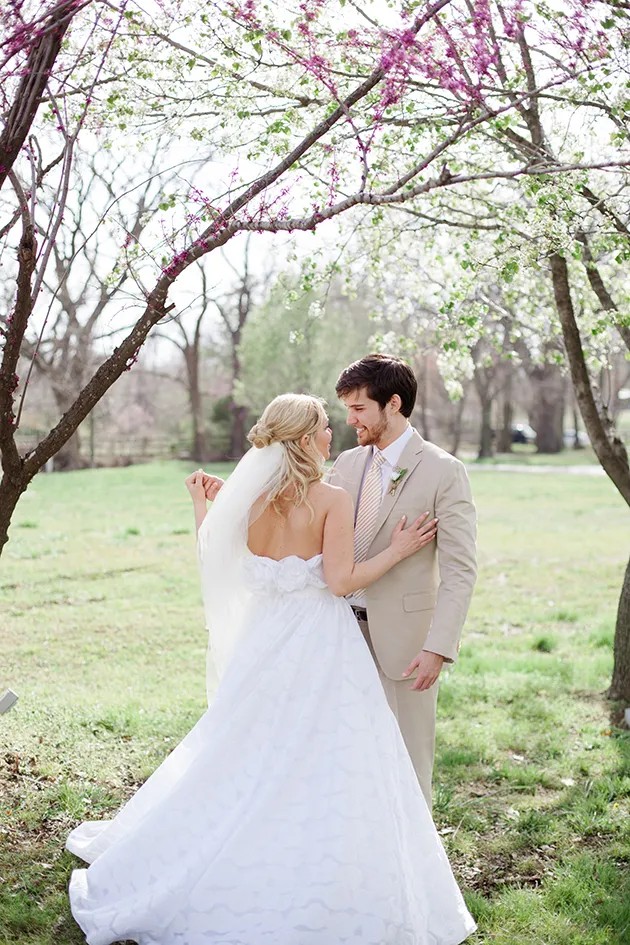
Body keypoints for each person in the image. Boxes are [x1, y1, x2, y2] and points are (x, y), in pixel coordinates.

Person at [65, 393, 476, 945]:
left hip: (265, 644)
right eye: (326, 427)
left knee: (249, 747)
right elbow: (341, 582)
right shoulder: (329, 499)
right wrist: (399, 549)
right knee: (327, 752)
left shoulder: (250, 498)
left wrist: (201, 505)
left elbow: (215, 553)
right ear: (306, 439)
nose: (334, 434)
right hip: (321, 643)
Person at [328, 354, 477, 806]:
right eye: (347, 409)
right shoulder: (347, 464)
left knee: (409, 762)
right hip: (336, 631)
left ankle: (417, 869)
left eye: (359, 409)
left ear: (393, 404)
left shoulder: (443, 470)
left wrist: (439, 646)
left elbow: (460, 569)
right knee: (346, 757)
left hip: (407, 642)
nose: (349, 419)